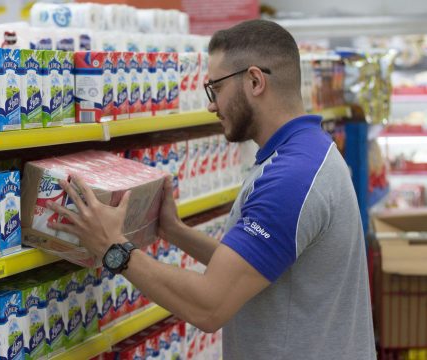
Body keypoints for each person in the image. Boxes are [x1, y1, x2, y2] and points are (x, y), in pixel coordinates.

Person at [46, 19, 376, 359]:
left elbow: (209, 306)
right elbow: (252, 264)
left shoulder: (292, 177)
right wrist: (173, 231)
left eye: (215, 88)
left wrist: (113, 249)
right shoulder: (307, 152)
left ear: (254, 81)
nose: (210, 105)